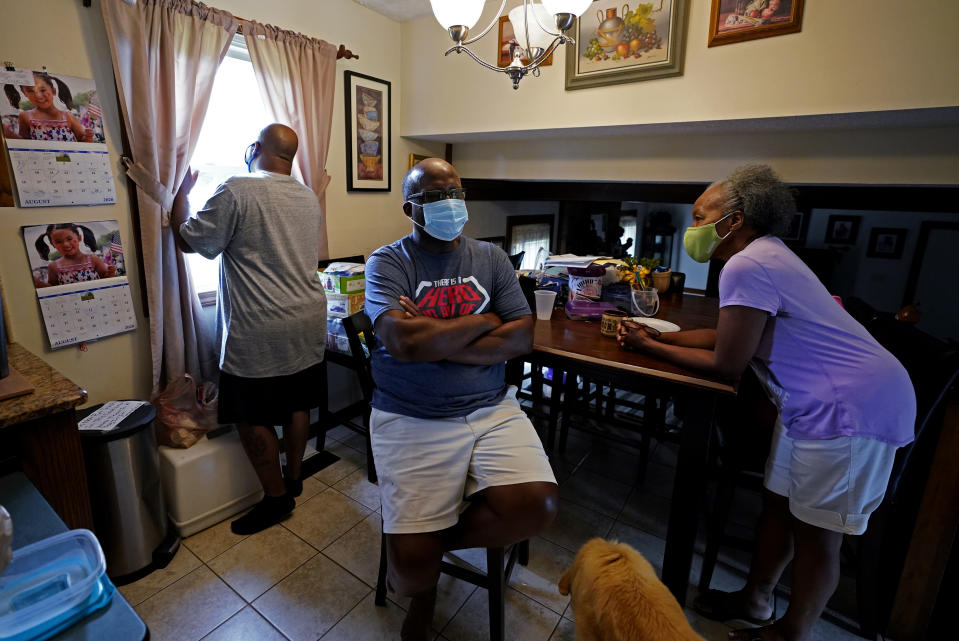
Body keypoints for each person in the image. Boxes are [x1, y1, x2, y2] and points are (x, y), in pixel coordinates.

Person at [618, 164, 915, 641]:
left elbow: (727, 363)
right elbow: (728, 334)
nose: (693, 227)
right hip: (809, 407)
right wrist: (654, 332)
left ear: (736, 219)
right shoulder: (766, 255)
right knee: (778, 507)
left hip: (852, 409)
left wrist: (648, 347)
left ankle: (790, 633)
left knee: (818, 537)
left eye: (700, 216)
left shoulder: (747, 263)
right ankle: (756, 599)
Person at [365, 158, 559, 641]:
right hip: (410, 415)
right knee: (407, 577)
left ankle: (429, 542)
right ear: (410, 208)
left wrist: (438, 341)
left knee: (539, 506)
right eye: (433, 196)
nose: (449, 203)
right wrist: (484, 320)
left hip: (491, 407)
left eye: (455, 192)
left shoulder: (490, 258)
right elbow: (405, 344)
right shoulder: (387, 262)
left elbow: (523, 339)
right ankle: (420, 573)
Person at [172, 123, 327, 536]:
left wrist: (181, 197)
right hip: (308, 316)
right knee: (297, 403)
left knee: (247, 413)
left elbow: (192, 241)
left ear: (256, 148)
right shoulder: (308, 195)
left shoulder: (237, 188)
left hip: (260, 323)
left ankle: (276, 499)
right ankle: (293, 477)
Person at [3, 72, 93, 142]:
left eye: (43, 90)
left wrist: (88, 136)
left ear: (53, 91)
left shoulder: (68, 117)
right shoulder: (25, 116)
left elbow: (83, 140)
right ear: (25, 94)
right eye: (30, 91)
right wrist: (9, 134)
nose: (38, 95)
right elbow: (25, 145)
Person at [33, 223, 116, 287]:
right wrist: (40, 284)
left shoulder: (94, 260)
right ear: (52, 244)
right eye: (58, 242)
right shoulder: (53, 266)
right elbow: (53, 289)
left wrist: (110, 273)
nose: (65, 244)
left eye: (69, 239)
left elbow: (106, 280)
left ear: (79, 238)